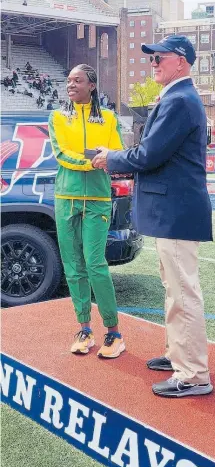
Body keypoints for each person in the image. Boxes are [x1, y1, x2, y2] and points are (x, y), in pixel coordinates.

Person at [93, 35, 213, 398]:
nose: (153, 64)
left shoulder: (179, 100)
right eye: (152, 59)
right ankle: (179, 354)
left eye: (159, 58)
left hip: (175, 211)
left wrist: (110, 158)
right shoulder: (178, 98)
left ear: (181, 61)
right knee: (174, 289)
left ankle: (192, 375)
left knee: (182, 293)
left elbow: (148, 155)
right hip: (173, 211)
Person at [48, 63, 125, 358]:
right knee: (73, 266)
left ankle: (114, 333)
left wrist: (108, 159)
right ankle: (84, 329)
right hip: (65, 198)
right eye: (68, 80)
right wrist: (91, 162)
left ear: (91, 85)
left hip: (96, 199)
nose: (71, 85)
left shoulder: (107, 117)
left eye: (77, 80)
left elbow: (116, 152)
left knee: (95, 264)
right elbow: (60, 154)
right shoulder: (56, 116)